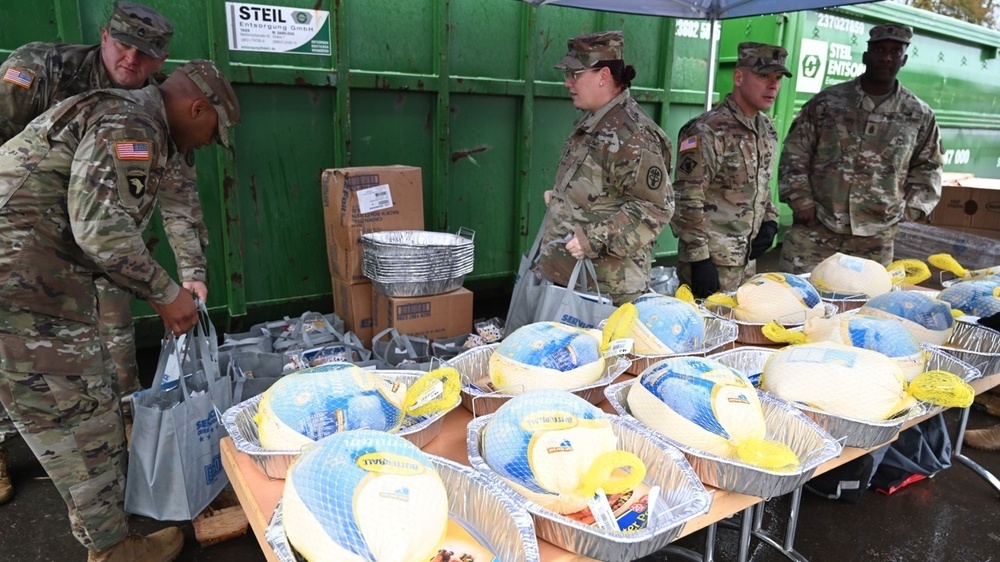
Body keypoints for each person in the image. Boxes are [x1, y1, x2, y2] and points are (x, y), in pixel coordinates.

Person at [0, 59, 240, 561]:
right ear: (197, 108)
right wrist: (165, 293)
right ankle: (114, 551)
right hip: (23, 285)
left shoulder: (135, 116)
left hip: (30, 279)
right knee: (83, 419)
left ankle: (106, 538)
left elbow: (172, 203)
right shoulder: (132, 124)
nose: (203, 145)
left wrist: (186, 275)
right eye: (209, 132)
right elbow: (99, 230)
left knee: (59, 410)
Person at [777, 23, 943, 274]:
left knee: (863, 307)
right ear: (866, 56)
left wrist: (910, 210)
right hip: (816, 230)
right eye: (879, 50)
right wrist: (801, 201)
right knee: (797, 301)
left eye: (895, 52)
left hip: (875, 238)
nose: (886, 57)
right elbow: (795, 153)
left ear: (904, 59)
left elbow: (929, 166)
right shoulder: (828, 103)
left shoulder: (918, 114)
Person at [536, 30, 673, 306]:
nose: (567, 83)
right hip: (579, 283)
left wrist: (592, 239)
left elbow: (655, 207)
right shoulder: (599, 122)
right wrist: (563, 198)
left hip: (608, 291)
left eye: (575, 74)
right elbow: (604, 187)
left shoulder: (633, 135)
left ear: (603, 76)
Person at [671, 42, 791, 298]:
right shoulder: (707, 130)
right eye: (763, 76)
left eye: (778, 78)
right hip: (710, 263)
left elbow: (763, 185)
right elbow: (686, 198)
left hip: (746, 261)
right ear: (738, 77)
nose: (773, 86)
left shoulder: (766, 129)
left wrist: (770, 220)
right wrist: (699, 260)